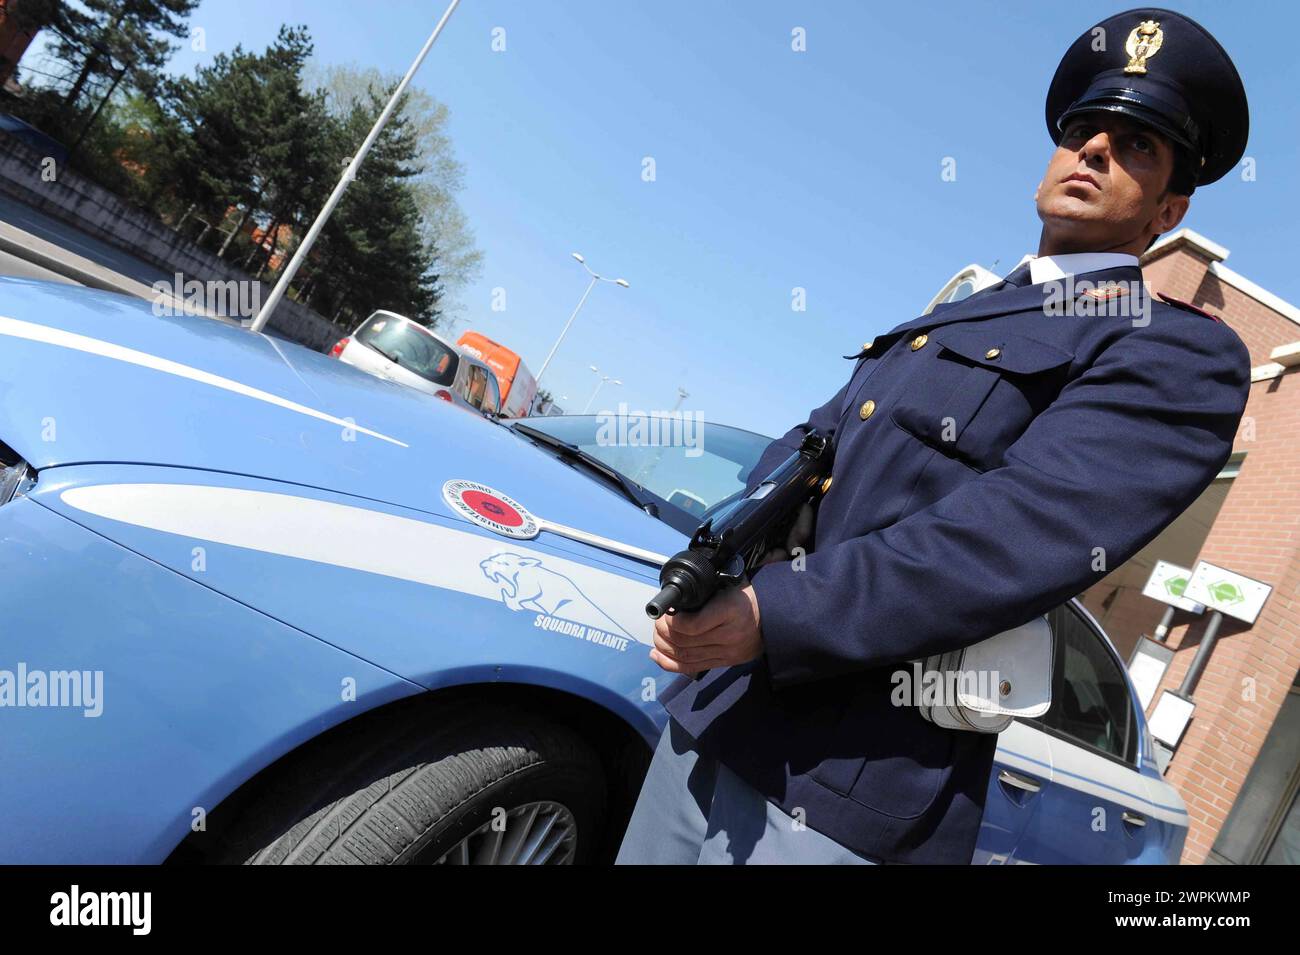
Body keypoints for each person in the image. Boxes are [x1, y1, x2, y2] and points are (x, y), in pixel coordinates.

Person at [616, 8, 1252, 865]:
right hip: (725, 703)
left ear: (1168, 210)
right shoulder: (969, 308)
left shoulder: (1172, 347)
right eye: (1082, 131)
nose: (1095, 150)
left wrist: (778, 610)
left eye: (1137, 145)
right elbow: (816, 443)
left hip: (856, 777)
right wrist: (724, 560)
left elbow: (1014, 533)